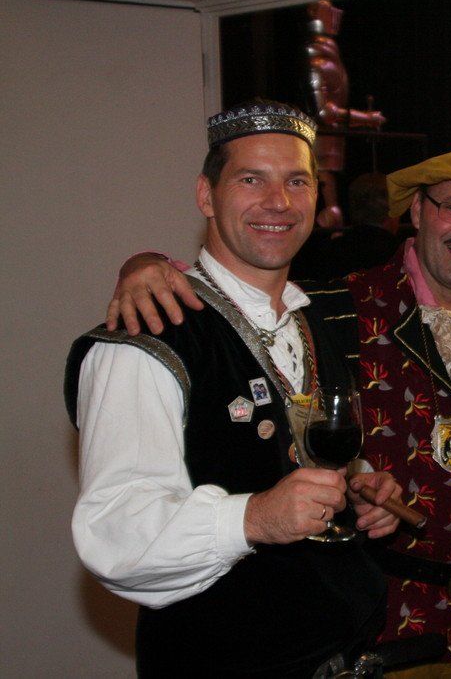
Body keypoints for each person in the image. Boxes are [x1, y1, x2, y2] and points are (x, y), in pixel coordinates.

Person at [102, 149, 451, 678]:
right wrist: (147, 266)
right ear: (416, 210)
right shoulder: (335, 306)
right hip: (380, 627)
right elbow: (239, 301)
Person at [66, 101, 403, 677]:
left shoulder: (311, 321)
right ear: (206, 196)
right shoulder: (146, 338)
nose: (278, 201)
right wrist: (254, 518)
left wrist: (358, 487)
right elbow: (114, 533)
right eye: (251, 179)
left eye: (297, 181)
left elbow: (288, 451)